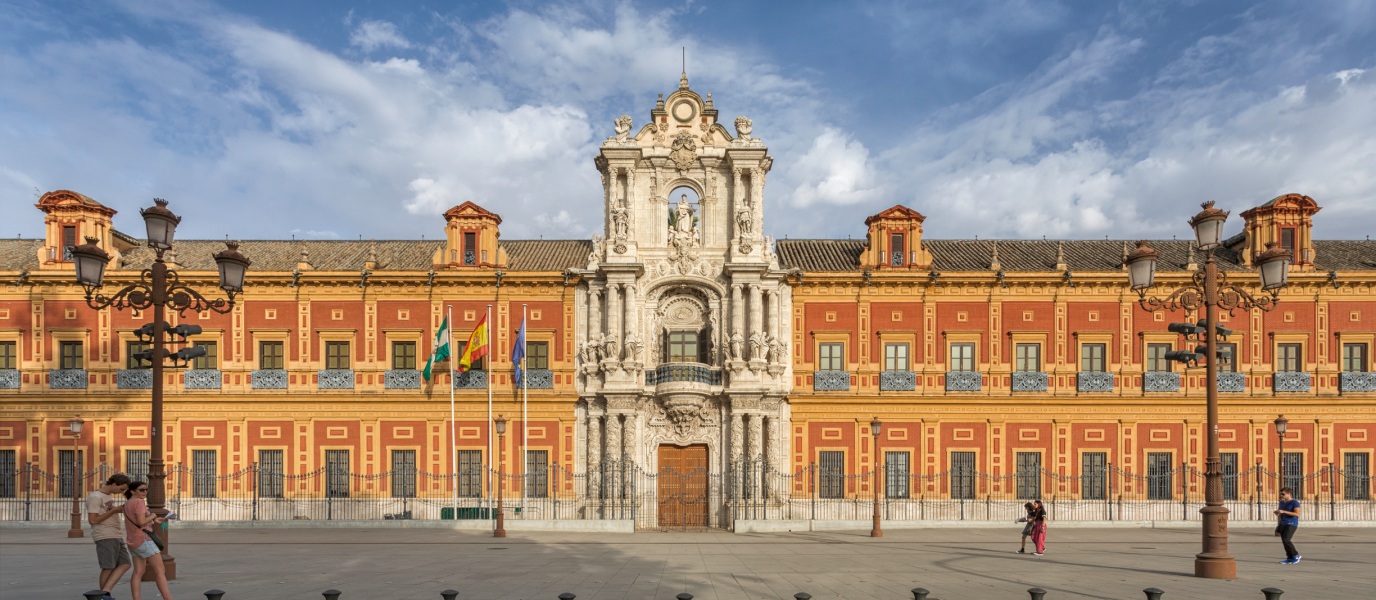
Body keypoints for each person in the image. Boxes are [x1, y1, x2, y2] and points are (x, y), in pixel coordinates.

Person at [122, 481, 173, 600]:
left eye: (146, 490)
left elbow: (137, 521)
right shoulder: (139, 502)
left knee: (138, 572)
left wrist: (152, 520)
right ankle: (168, 598)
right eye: (141, 490)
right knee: (160, 570)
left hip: (133, 541)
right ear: (132, 491)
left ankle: (137, 598)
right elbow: (140, 522)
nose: (145, 492)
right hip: (144, 540)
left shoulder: (127, 504)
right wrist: (153, 515)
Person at [88, 473, 131, 598]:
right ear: (113, 484)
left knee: (125, 563)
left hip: (115, 534)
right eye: (121, 489)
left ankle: (106, 592)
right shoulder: (96, 497)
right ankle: (104, 596)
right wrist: (114, 510)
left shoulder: (106, 496)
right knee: (108, 567)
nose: (122, 492)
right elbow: (93, 520)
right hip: (105, 535)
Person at [1275, 486, 1302, 564]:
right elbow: (1281, 513)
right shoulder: (1281, 503)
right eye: (1281, 494)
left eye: (1283, 494)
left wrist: (1284, 511)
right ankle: (1289, 557)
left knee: (1287, 540)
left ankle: (1296, 555)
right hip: (1283, 523)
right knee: (1284, 541)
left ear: (1289, 494)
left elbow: (1296, 514)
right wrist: (1278, 514)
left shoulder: (1295, 502)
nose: (1281, 496)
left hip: (1292, 523)